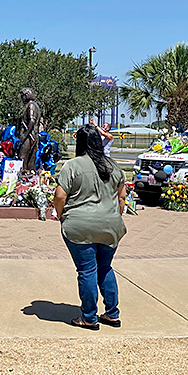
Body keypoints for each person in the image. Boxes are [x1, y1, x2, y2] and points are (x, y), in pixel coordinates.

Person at [52, 124, 128, 330]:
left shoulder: (73, 166)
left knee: (86, 270)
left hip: (79, 225)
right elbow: (122, 198)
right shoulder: (114, 166)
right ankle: (112, 313)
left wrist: (61, 216)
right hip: (110, 225)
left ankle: (89, 316)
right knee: (105, 268)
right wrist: (114, 216)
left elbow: (60, 196)